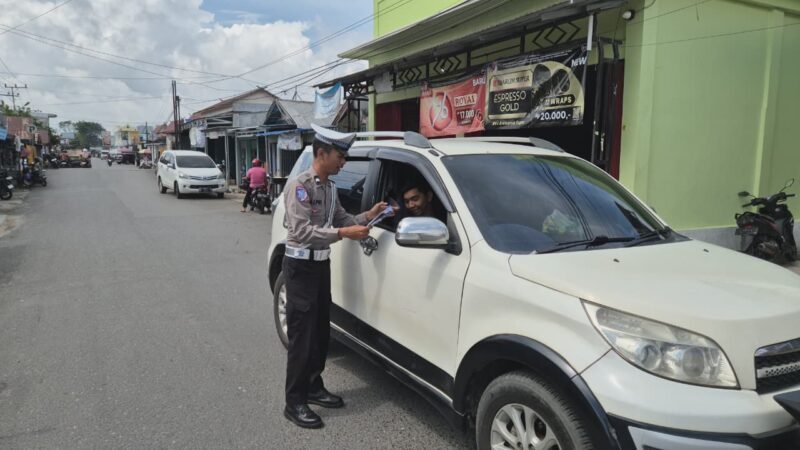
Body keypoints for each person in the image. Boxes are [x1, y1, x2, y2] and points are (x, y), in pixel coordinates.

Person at [282, 124, 389, 429]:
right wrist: (345, 233)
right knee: (301, 338)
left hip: (320, 267)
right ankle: (294, 402)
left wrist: (368, 216)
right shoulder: (300, 186)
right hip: (300, 268)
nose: (344, 162)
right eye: (340, 156)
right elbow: (302, 232)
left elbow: (342, 219)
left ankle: (314, 387)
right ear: (322, 154)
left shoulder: (329, 188)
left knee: (319, 333)